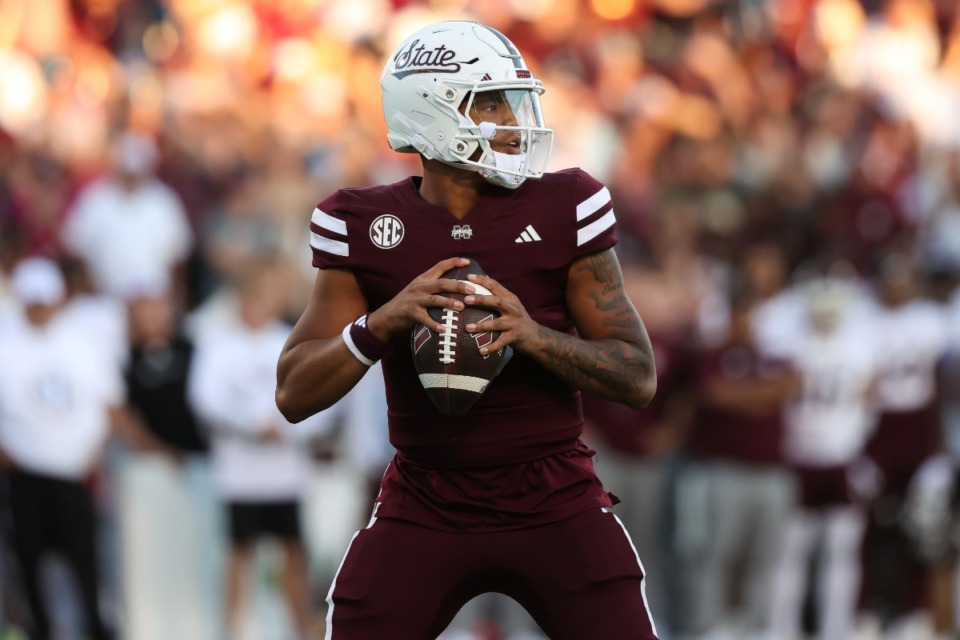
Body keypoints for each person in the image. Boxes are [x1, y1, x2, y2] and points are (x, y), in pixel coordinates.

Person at [276, 20, 658, 640]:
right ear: (432, 113)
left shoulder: (566, 205)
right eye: (493, 101)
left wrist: (535, 338)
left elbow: (638, 377)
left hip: (553, 493)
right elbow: (292, 393)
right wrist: (377, 327)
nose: (515, 117)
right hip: (426, 496)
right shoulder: (365, 222)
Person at [190, 260, 332, 640]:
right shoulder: (218, 345)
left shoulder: (290, 341)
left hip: (285, 473)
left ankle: (298, 630)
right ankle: (233, 631)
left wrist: (284, 428)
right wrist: (252, 424)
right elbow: (205, 397)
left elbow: (320, 400)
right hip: (240, 475)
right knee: (239, 554)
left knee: (293, 555)